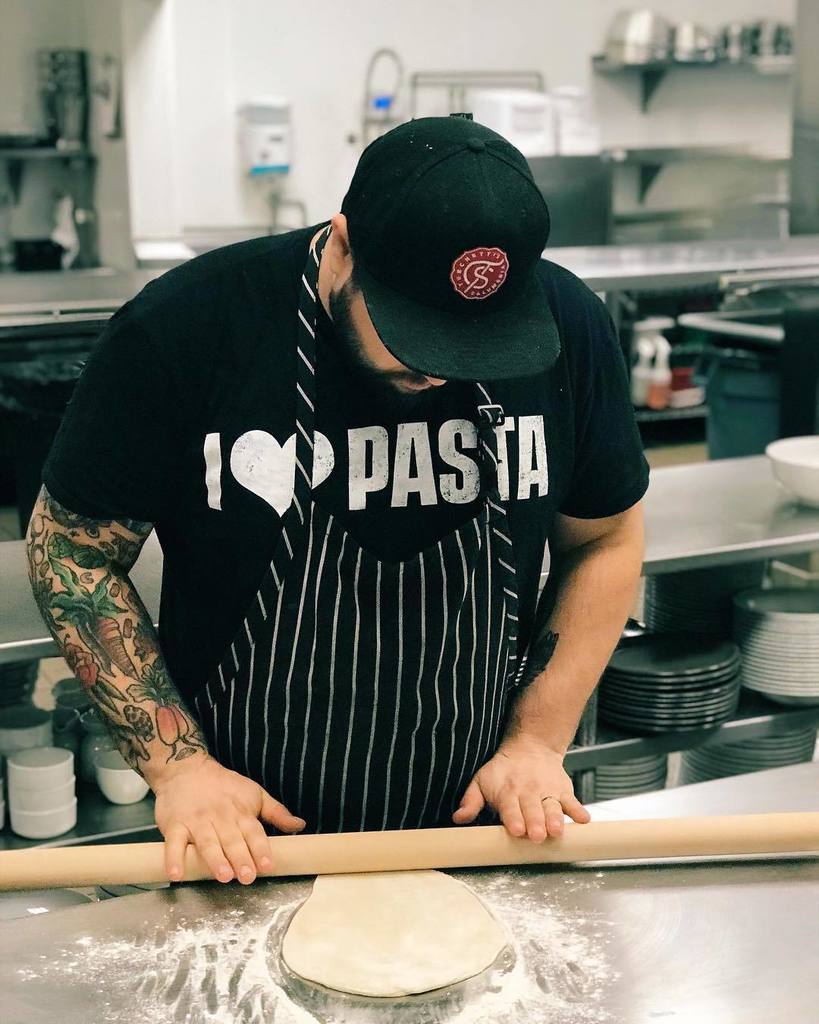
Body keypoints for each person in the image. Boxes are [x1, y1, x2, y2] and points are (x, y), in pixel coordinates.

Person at [27, 115, 648, 885]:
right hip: (244, 837)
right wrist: (180, 770)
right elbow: (72, 550)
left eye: (474, 345)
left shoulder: (568, 324)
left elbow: (606, 539)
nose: (440, 371)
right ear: (343, 242)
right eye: (412, 331)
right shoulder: (189, 327)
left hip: (482, 826)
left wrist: (536, 741)